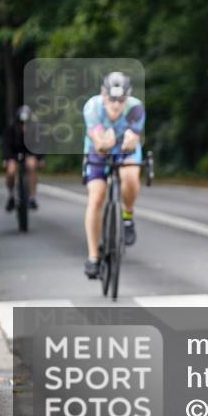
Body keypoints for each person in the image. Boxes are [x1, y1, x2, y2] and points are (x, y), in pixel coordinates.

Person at [82, 72, 145, 279]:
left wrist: (129, 141)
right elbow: (99, 143)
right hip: (97, 149)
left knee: (130, 176)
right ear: (103, 94)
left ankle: (127, 215)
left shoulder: (136, 107)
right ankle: (93, 257)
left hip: (125, 147)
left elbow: (134, 140)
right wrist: (104, 142)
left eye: (121, 100)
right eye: (111, 99)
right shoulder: (92, 107)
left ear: (128, 97)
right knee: (97, 197)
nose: (116, 105)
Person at [2, 105, 43, 211]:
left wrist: (40, 158)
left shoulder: (35, 128)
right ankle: (11, 195)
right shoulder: (11, 128)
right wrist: (6, 159)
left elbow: (40, 145)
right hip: (14, 154)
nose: (24, 126)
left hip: (29, 153)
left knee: (32, 165)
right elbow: (6, 145)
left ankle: (32, 198)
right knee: (11, 171)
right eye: (22, 123)